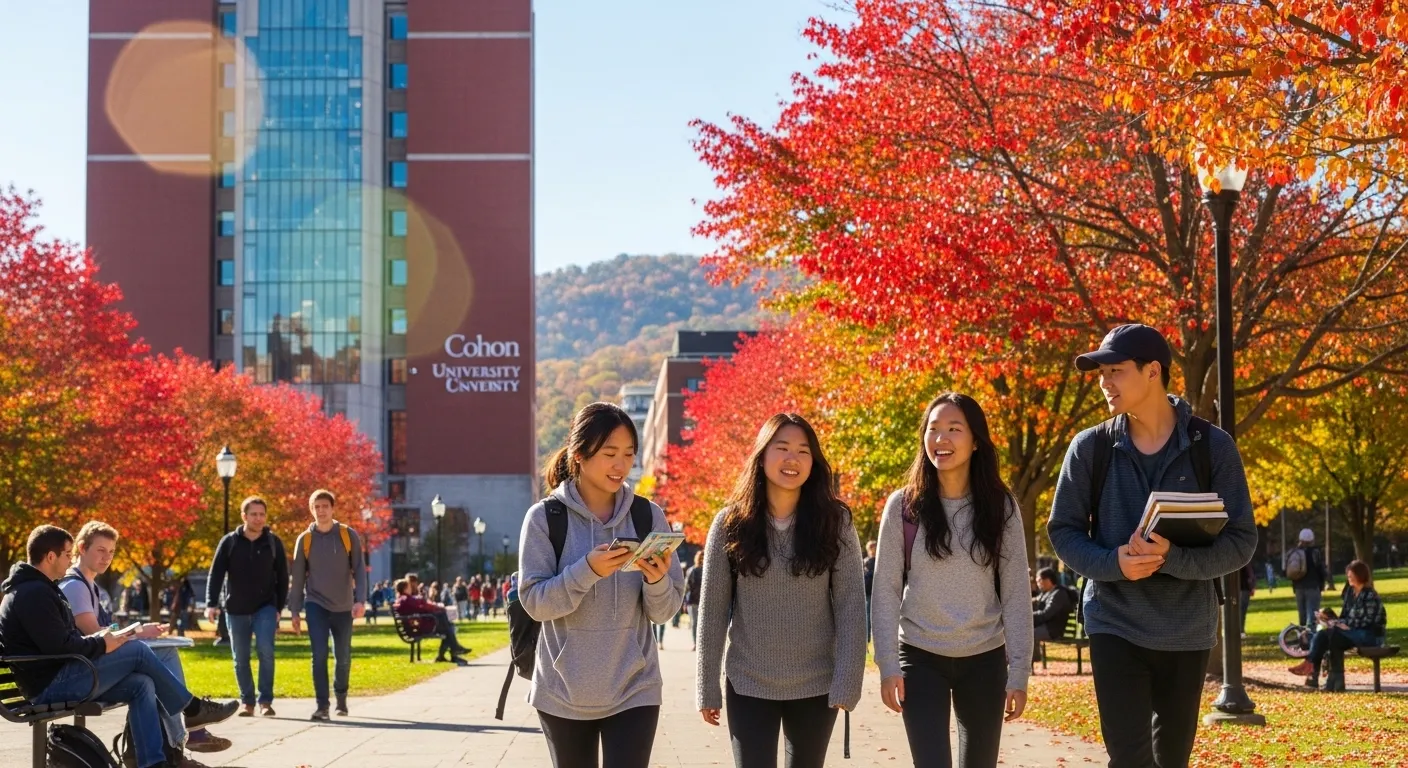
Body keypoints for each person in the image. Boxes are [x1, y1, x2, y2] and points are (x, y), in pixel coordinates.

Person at [1048, 324, 1257, 768]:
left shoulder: (1213, 448)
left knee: (1171, 760)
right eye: (1101, 373)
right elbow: (1062, 531)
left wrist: (1173, 559)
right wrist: (1113, 563)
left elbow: (1242, 540)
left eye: (1116, 371)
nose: (1105, 383)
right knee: (1129, 757)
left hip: (1187, 630)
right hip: (1113, 622)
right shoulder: (1089, 448)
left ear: (1152, 372)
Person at [519, 401, 685, 768]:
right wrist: (587, 570)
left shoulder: (647, 515)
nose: (621, 464)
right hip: (562, 690)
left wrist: (657, 580)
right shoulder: (545, 519)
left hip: (635, 688)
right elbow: (535, 603)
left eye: (628, 454)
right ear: (579, 455)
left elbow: (664, 611)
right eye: (609, 453)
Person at [695, 413, 867, 768]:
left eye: (804, 451)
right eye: (782, 447)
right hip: (748, 681)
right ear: (761, 455)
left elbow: (851, 605)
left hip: (817, 684)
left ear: (814, 462)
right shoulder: (730, 524)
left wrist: (848, 679)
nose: (793, 459)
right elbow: (712, 612)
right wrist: (707, 686)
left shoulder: (836, 523)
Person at [871, 393, 1033, 768]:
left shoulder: (1001, 507)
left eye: (953, 429)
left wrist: (1020, 671)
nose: (941, 439)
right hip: (920, 656)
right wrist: (888, 666)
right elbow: (885, 591)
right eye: (933, 429)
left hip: (985, 658)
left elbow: (1014, 594)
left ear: (975, 441)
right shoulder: (903, 507)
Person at [0, 526, 237, 768]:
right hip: (50, 686)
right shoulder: (32, 593)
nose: (70, 560)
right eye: (67, 555)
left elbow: (61, 640)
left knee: (142, 685)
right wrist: (102, 643)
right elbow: (58, 646)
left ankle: (153, 763)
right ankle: (192, 708)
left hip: (62, 675)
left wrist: (103, 637)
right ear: (51, 557)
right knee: (137, 651)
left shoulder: (41, 589)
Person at [205, 496, 289, 717]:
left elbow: (282, 576)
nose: (258, 518)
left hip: (266, 607)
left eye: (262, 514)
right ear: (244, 516)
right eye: (254, 514)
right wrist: (211, 604)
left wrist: (279, 607)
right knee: (240, 657)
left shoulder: (273, 542)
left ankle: (266, 701)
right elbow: (216, 574)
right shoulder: (230, 542)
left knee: (265, 650)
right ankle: (247, 702)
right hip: (236, 608)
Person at [290, 488, 368, 721]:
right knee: (319, 654)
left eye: (325, 506)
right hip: (316, 604)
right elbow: (298, 578)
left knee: (342, 656)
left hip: (344, 606)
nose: (321, 511)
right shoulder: (305, 540)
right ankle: (322, 705)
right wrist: (294, 610)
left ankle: (341, 699)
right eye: (317, 507)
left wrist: (360, 600)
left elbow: (360, 570)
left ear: (332, 509)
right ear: (311, 510)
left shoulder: (347, 535)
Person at [1287, 560, 1387, 689]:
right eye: (1348, 576)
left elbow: (1365, 621)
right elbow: (1345, 617)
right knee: (1325, 635)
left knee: (1333, 636)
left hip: (1370, 634)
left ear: (1360, 576)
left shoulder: (1370, 595)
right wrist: (1330, 619)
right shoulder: (1350, 594)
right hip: (1352, 631)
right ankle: (1328, 679)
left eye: (1351, 576)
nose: (1349, 579)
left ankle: (1315, 670)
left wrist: (1341, 624)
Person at [392, 578, 470, 662]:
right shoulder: (406, 599)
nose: (411, 588)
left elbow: (420, 605)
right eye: (409, 587)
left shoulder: (403, 599)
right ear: (405, 588)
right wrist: (437, 607)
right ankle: (452, 652)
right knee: (447, 624)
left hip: (416, 626)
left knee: (448, 626)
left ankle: (449, 653)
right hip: (419, 627)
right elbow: (422, 605)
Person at [1288, 528, 1334, 628]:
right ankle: (1310, 638)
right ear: (1312, 540)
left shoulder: (1294, 552)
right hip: (1313, 587)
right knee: (1312, 616)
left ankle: (1302, 637)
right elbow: (1321, 569)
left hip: (1298, 587)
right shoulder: (1315, 553)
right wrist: (1326, 580)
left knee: (1302, 616)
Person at [1031, 567, 1074, 651]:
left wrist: (1027, 617)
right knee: (1022, 631)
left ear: (1048, 580)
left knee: (1025, 634)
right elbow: (1035, 600)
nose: (1038, 584)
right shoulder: (1048, 592)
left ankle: (1027, 662)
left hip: (1052, 630)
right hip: (1045, 627)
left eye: (1039, 580)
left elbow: (1046, 614)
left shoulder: (1059, 594)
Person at [683, 551, 704, 651]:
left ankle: (698, 643)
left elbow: (686, 587)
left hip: (698, 601)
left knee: (697, 623)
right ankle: (698, 643)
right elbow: (686, 587)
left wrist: (684, 602)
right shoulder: (695, 571)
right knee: (699, 623)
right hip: (698, 601)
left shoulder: (694, 570)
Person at [863, 539, 878, 641]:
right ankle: (869, 637)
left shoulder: (865, 562)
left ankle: (869, 637)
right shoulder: (876, 561)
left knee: (869, 615)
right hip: (872, 591)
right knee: (869, 615)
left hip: (870, 591)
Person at [1239, 562, 1256, 638]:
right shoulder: (1244, 559)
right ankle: (1241, 630)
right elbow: (1250, 574)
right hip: (1243, 588)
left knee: (1242, 611)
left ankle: (1241, 630)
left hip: (1243, 588)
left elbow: (1250, 574)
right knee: (1242, 611)